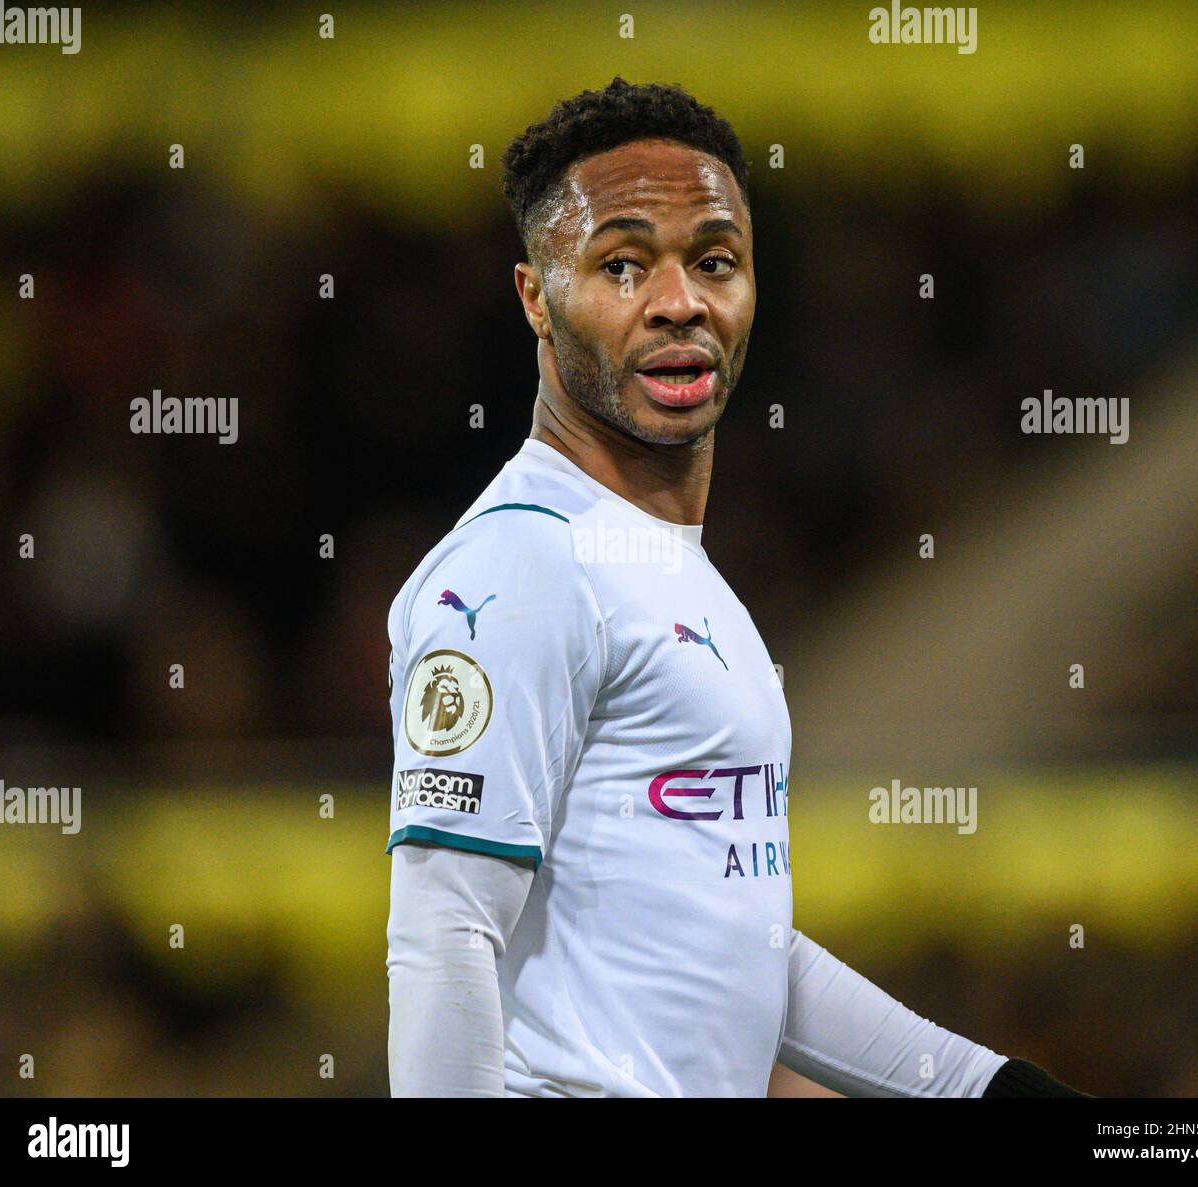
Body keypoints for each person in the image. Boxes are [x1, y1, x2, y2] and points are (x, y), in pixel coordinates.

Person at [386, 76, 1085, 1099]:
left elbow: (733, 948)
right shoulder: (520, 567)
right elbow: (443, 933)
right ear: (536, 296)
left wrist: (982, 1087)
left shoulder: (680, 576)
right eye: (621, 265)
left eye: (714, 260)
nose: (680, 302)